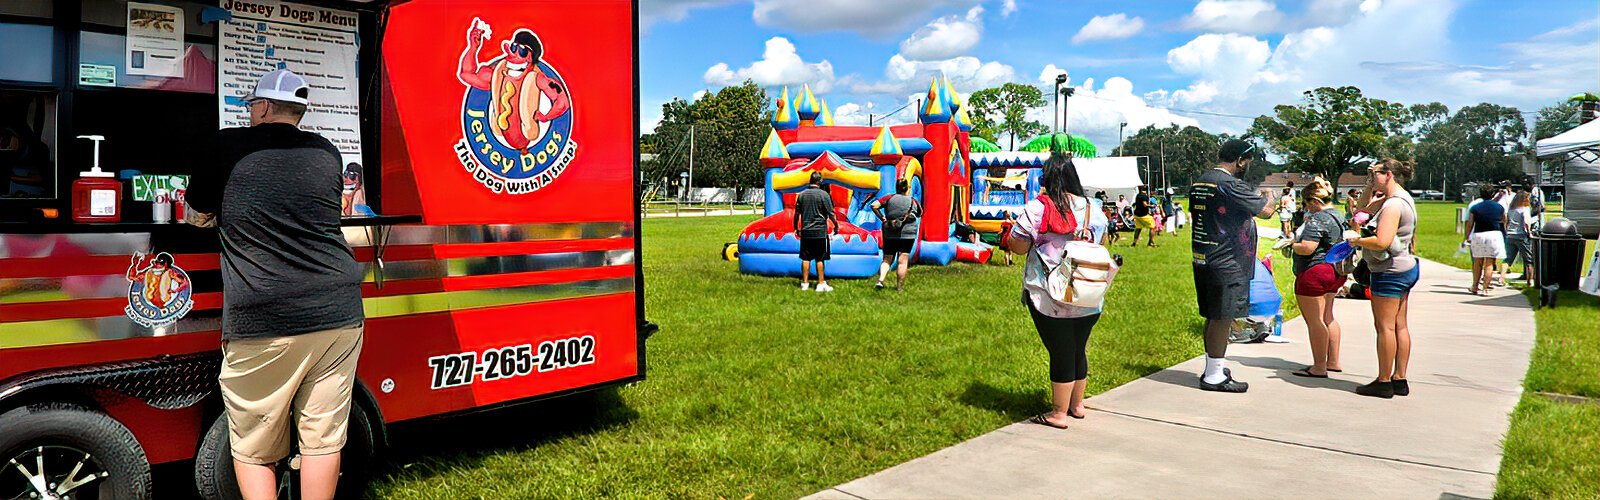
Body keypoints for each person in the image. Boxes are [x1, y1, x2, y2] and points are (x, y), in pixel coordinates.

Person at [186, 69, 365, 500]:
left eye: (252, 106)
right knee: (323, 438)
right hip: (339, 311)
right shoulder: (327, 153)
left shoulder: (226, 145)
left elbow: (196, 216)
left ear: (263, 107)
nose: (249, 114)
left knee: (253, 447)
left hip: (265, 317)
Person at [999, 153, 1103, 428]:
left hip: (1048, 294)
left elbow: (1018, 246)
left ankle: (1058, 413)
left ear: (1046, 178)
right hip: (1088, 290)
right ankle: (1076, 405)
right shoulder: (1095, 208)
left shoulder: (1038, 208)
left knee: (1061, 350)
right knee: (1078, 348)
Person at [1189, 139, 1279, 393]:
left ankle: (1212, 367)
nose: (1248, 166)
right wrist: (1270, 195)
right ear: (1240, 160)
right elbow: (1266, 211)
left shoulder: (1202, 180)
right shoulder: (1230, 184)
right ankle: (1214, 376)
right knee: (1223, 317)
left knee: (1213, 315)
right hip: (1228, 261)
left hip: (1204, 256)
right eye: (1247, 161)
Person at [1347, 159, 1419, 399]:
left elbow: (1382, 241)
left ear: (1388, 174)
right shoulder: (1400, 198)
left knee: (1384, 327)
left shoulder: (1392, 206)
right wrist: (1369, 186)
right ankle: (1400, 378)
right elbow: (1360, 214)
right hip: (1406, 268)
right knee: (1400, 325)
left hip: (1389, 272)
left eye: (1373, 173)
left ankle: (1384, 381)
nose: (1370, 176)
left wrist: (1355, 241)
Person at [1289, 179, 1346, 378]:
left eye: (1306, 203)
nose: (1306, 208)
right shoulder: (1339, 215)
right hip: (1335, 271)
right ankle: (1333, 361)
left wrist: (1290, 244)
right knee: (1328, 317)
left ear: (1314, 201)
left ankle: (1319, 367)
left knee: (1315, 321)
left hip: (1314, 272)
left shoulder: (1318, 218)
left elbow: (1307, 248)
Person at [872, 179, 922, 291]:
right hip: (908, 234)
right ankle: (899, 288)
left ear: (896, 187)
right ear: (907, 188)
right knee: (903, 260)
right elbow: (920, 213)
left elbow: (874, 205)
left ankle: (880, 280)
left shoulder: (889, 198)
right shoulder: (913, 201)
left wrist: (883, 218)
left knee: (887, 258)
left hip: (890, 232)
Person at [794, 171, 837, 292]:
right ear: (820, 181)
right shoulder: (824, 195)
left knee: (805, 258)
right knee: (819, 258)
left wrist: (796, 227)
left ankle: (805, 283)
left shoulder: (802, 195)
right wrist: (836, 225)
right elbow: (831, 213)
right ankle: (821, 283)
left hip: (806, 230)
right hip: (820, 231)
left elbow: (797, 213)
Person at [1467, 184, 1507, 296]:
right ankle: (1486, 288)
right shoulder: (1499, 207)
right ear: (1493, 194)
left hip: (1479, 234)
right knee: (1489, 263)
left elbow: (1470, 223)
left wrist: (1466, 236)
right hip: (1494, 234)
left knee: (1477, 262)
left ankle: (1475, 286)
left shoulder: (1475, 207)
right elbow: (1504, 221)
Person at [1505, 192, 1535, 285]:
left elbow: (1507, 221)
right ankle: (1529, 281)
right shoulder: (1524, 209)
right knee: (1528, 260)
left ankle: (1501, 278)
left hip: (1510, 235)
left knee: (1508, 259)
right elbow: (1526, 222)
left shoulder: (1511, 209)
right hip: (1521, 235)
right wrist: (1529, 232)